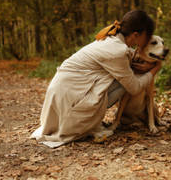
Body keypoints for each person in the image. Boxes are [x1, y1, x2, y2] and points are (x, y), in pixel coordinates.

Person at [31, 10, 162, 148]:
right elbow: (134, 88)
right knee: (129, 80)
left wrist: (144, 62)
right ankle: (84, 122)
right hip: (69, 101)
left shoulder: (111, 39)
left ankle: (89, 120)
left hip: (62, 95)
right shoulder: (118, 51)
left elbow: (128, 57)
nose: (148, 41)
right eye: (147, 37)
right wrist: (155, 69)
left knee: (125, 76)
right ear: (136, 35)